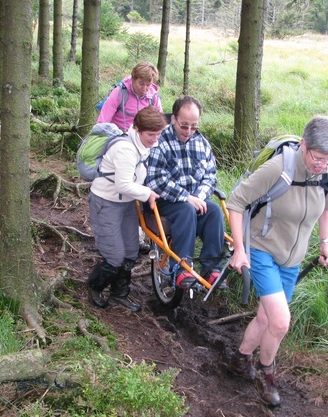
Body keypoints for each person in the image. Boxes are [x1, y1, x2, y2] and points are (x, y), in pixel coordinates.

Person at [225, 115, 328, 407]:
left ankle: (240, 359)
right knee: (280, 322)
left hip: (293, 258)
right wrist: (240, 249)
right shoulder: (279, 167)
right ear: (304, 145)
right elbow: (236, 201)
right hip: (262, 250)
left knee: (265, 317)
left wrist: (325, 244)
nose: (322, 165)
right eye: (318, 158)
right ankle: (267, 376)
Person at [86, 106, 167, 311]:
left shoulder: (143, 146)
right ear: (137, 129)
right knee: (114, 256)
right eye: (151, 134)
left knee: (131, 251)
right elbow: (123, 185)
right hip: (106, 202)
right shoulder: (125, 149)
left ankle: (118, 295)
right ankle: (94, 287)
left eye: (158, 134)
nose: (155, 139)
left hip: (127, 203)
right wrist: (147, 193)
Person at [145, 95, 225, 289]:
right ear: (173, 119)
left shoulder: (202, 143)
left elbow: (210, 176)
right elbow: (155, 180)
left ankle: (212, 267)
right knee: (186, 210)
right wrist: (186, 197)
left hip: (193, 199)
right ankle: (182, 269)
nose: (189, 131)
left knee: (214, 211)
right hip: (165, 200)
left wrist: (199, 196)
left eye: (194, 126)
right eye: (184, 125)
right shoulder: (160, 141)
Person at [97, 61, 163, 133]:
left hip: (142, 138)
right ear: (133, 79)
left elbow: (160, 123)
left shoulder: (154, 97)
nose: (144, 89)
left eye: (148, 85)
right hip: (118, 136)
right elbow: (102, 122)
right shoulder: (120, 92)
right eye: (141, 84)